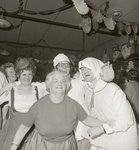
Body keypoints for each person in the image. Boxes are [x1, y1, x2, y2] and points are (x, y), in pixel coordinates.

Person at [10, 70, 113, 150]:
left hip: (65, 146)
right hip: (40, 145)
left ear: (67, 85)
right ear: (49, 85)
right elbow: (23, 128)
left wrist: (105, 124)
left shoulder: (72, 104)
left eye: (63, 81)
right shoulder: (38, 105)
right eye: (55, 81)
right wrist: (13, 147)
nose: (59, 84)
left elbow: (87, 119)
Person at [78, 57, 138, 150]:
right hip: (103, 141)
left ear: (96, 68)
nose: (85, 71)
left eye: (88, 68)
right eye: (82, 69)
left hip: (121, 142)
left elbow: (126, 120)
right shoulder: (88, 90)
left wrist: (102, 128)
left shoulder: (113, 90)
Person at [0, 57, 48, 150]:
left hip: (33, 131)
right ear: (18, 75)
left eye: (30, 74)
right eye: (24, 74)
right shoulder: (11, 90)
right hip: (13, 131)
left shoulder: (38, 89)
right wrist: (3, 89)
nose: (27, 77)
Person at [0, 62, 17, 128]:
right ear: (5, 76)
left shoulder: (16, 87)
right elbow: (4, 118)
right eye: (11, 72)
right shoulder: (6, 92)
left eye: (14, 71)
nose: (14, 73)